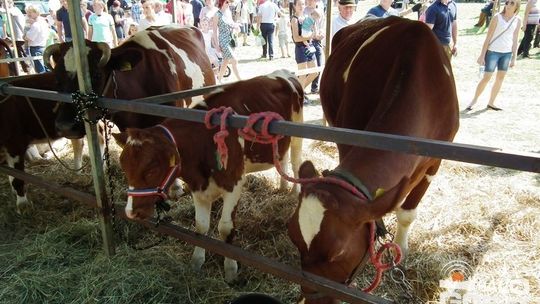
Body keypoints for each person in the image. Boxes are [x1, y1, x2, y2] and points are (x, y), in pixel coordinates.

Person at [465, 0, 521, 112]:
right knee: (487, 77)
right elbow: (488, 37)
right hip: (493, 52)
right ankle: (474, 100)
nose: (508, 5)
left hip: (506, 53)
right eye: (507, 2)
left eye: (512, 3)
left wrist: (514, 57)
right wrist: (482, 55)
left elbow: (515, 39)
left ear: (516, 6)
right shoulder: (497, 17)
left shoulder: (517, 20)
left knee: (500, 78)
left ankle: (491, 102)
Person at [290, 0, 317, 101]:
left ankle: (298, 91)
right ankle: (299, 95)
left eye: (303, 4)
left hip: (309, 47)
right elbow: (296, 38)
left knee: (315, 72)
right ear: (294, 6)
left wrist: (314, 34)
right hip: (300, 48)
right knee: (302, 73)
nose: (301, 6)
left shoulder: (306, 17)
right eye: (299, 4)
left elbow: (312, 30)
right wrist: (309, 36)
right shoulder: (294, 19)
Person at [213, 0, 241, 82]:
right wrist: (217, 45)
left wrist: (236, 27)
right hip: (223, 41)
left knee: (225, 61)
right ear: (222, 3)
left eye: (229, 2)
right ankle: (240, 80)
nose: (229, 4)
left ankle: (219, 79)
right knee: (234, 60)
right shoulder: (217, 14)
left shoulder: (228, 12)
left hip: (230, 39)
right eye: (227, 2)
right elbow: (214, 31)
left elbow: (231, 23)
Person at [304, 0, 324, 94]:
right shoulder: (305, 11)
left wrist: (321, 33)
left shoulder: (320, 10)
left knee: (319, 65)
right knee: (309, 67)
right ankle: (302, 86)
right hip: (307, 42)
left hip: (317, 41)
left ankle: (314, 88)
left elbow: (322, 26)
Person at [24, 5, 49, 73]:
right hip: (43, 46)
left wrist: (25, 34)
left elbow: (28, 38)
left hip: (36, 48)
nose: (28, 14)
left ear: (36, 12)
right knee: (46, 68)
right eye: (27, 12)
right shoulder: (43, 21)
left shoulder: (36, 25)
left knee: (40, 70)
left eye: (30, 12)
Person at [6, 0, 29, 72]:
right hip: (16, 36)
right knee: (19, 54)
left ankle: (27, 68)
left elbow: (5, 11)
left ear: (12, 3)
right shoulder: (13, 10)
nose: (7, 4)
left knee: (22, 54)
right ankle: (25, 68)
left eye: (9, 2)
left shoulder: (15, 10)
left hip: (20, 36)